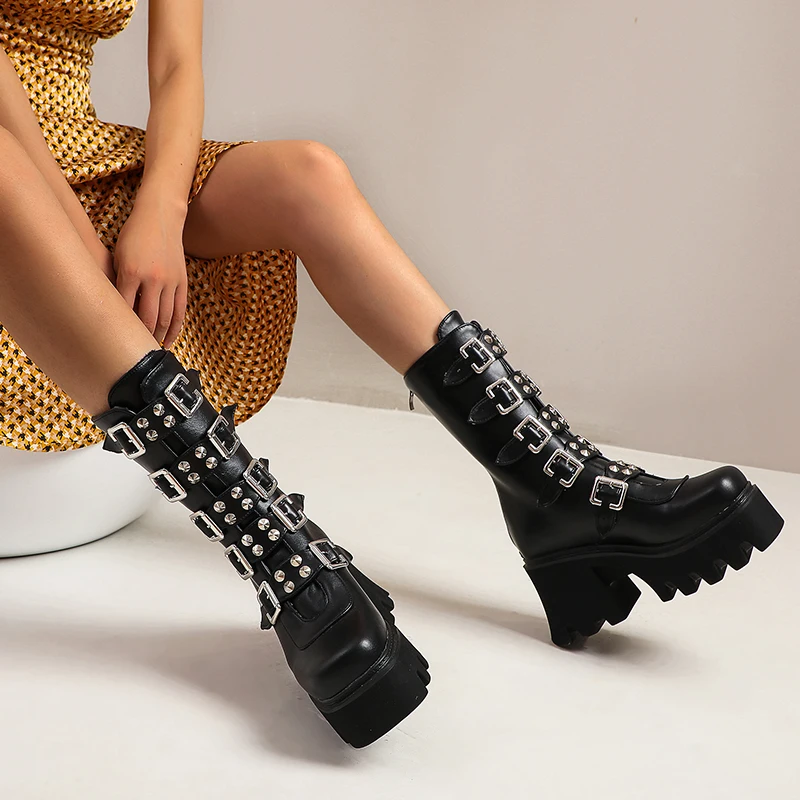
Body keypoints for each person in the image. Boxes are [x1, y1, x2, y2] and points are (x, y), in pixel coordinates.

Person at [0, 0, 783, 748]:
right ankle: (288, 563)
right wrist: (78, 243)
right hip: (11, 163)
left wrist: (161, 213)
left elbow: (176, 65)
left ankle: (554, 485)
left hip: (85, 153)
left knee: (307, 173)